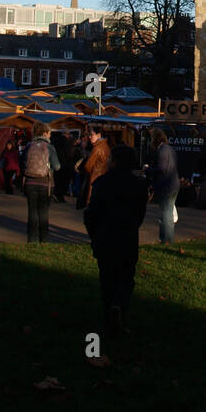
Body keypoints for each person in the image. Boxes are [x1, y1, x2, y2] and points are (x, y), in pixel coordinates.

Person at [83, 143, 146, 338]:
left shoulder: (103, 183)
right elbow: (140, 214)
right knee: (126, 277)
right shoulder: (138, 185)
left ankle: (110, 311)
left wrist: (94, 235)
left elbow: (91, 213)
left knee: (107, 277)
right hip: (127, 237)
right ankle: (119, 306)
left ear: (115, 161)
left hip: (105, 236)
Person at [22, 128, 60, 242]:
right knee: (43, 212)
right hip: (45, 183)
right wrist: (49, 169)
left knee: (32, 211)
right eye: (49, 133)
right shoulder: (50, 147)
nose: (50, 136)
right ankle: (44, 239)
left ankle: (31, 239)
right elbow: (57, 166)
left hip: (30, 182)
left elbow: (23, 162)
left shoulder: (29, 146)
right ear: (45, 133)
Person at [147, 128, 179, 245]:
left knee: (166, 214)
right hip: (173, 185)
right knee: (167, 213)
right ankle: (166, 239)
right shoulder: (170, 149)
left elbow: (161, 169)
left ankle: (166, 240)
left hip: (166, 186)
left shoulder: (161, 151)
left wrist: (148, 170)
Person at [78, 127, 110, 209]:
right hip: (103, 178)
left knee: (91, 204)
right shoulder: (106, 146)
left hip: (94, 177)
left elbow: (87, 166)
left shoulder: (97, 148)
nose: (89, 137)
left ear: (98, 135)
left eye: (92, 135)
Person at [51, 130, 74, 203]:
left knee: (57, 180)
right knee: (63, 182)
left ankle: (56, 194)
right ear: (67, 134)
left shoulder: (55, 140)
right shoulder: (67, 142)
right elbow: (69, 154)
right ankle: (60, 197)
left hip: (56, 163)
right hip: (65, 165)